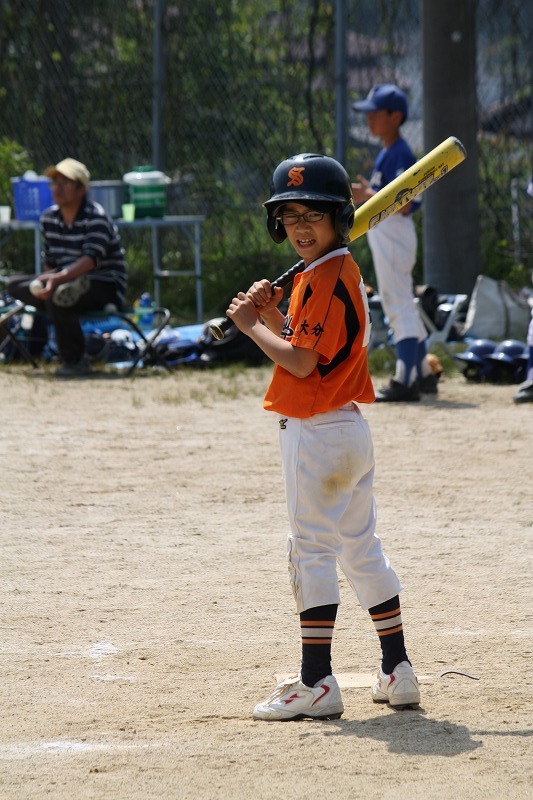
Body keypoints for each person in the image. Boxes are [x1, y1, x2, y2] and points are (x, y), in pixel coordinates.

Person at [226, 153, 420, 721]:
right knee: (360, 548)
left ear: (339, 217)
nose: (301, 226)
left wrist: (250, 327)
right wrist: (274, 316)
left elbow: (303, 363)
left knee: (310, 549)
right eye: (290, 216)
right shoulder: (332, 271)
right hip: (346, 429)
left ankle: (316, 681)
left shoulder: (327, 275)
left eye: (314, 214)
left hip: (315, 433)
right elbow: (310, 344)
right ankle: (397, 669)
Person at [352, 83, 436, 402]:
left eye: (376, 113)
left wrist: (367, 195)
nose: (369, 119)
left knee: (397, 303)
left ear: (396, 117)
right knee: (403, 302)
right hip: (390, 235)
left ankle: (405, 380)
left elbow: (406, 203)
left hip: (395, 233)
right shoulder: (387, 152)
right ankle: (424, 374)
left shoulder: (401, 152)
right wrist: (369, 194)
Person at [7, 158, 127, 377]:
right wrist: (47, 281)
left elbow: (91, 260)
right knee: (15, 284)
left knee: (59, 294)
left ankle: (75, 360)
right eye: (54, 183)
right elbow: (51, 263)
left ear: (81, 189)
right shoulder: (49, 218)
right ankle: (66, 289)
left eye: (65, 183)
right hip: (63, 281)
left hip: (103, 284)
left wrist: (57, 279)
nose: (57, 188)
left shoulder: (97, 217)